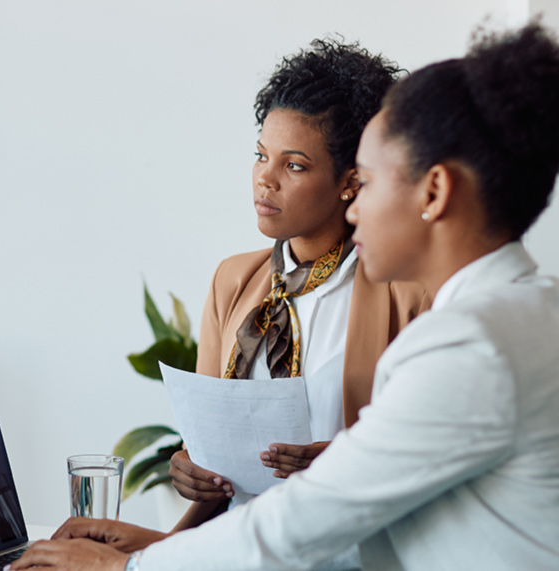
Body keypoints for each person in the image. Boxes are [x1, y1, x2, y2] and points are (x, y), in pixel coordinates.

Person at [10, 21, 559, 571]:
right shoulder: (520, 313)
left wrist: (125, 568)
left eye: (365, 180)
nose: (355, 207)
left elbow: (303, 523)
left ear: (434, 191)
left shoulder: (474, 344)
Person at [169, 39, 428, 550]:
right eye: (261, 156)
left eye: (294, 166)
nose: (264, 179)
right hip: (236, 548)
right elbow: (207, 445)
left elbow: (430, 455)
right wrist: (190, 468)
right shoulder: (232, 281)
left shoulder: (410, 296)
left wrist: (344, 464)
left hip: (350, 549)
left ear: (350, 181)